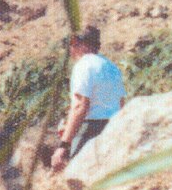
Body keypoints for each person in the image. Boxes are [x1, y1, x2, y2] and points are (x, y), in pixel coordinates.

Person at [51, 25, 126, 172]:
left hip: (90, 131)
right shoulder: (111, 67)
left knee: (80, 178)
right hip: (114, 128)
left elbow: (80, 106)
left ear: (79, 44)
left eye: (71, 44)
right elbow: (121, 103)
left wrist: (63, 145)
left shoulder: (83, 66)